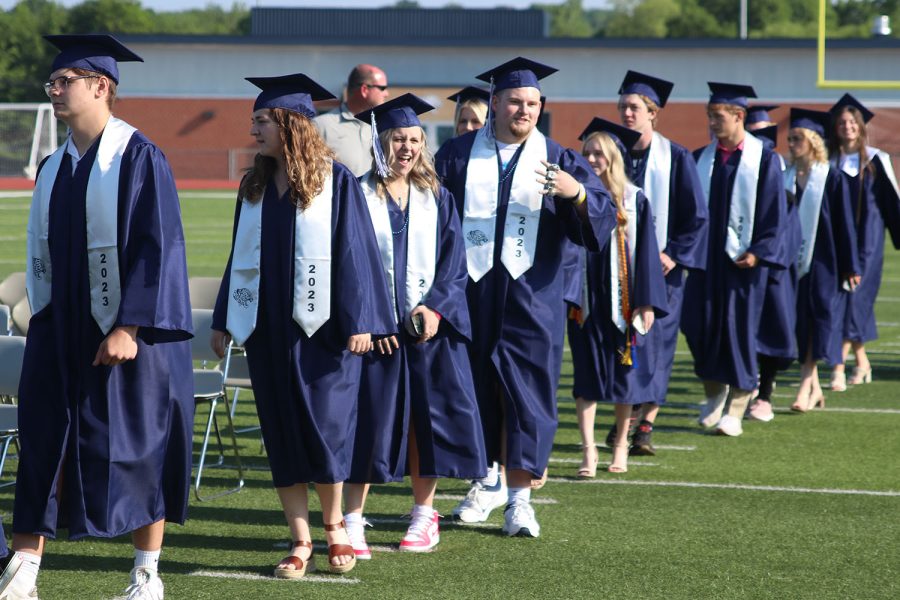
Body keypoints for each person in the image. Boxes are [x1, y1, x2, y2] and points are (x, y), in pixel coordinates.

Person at [0, 35, 193, 600]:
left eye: (65, 82)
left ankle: (145, 573)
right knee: (42, 440)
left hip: (128, 333)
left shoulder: (139, 158)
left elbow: (158, 248)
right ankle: (24, 571)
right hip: (59, 330)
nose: (54, 91)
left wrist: (129, 326)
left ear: (101, 86)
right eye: (52, 83)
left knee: (137, 447)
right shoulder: (54, 165)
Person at [210, 73, 395, 578]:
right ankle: (301, 538)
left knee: (328, 428)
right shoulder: (253, 186)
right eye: (254, 120)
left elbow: (358, 253)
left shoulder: (336, 182)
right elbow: (238, 257)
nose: (254, 130)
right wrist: (227, 313)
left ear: (291, 123)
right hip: (267, 327)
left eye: (262, 120)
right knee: (283, 431)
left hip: (325, 331)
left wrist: (362, 322)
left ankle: (336, 526)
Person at [435, 57, 616, 537]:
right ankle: (484, 482)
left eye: (533, 103)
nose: (524, 110)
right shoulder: (455, 156)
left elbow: (600, 218)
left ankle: (520, 502)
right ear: (494, 103)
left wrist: (576, 192)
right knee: (471, 391)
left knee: (528, 398)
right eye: (515, 101)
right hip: (468, 296)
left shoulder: (558, 158)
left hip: (533, 298)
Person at [343, 93, 486, 557]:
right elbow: (349, 266)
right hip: (376, 336)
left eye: (413, 139)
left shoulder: (436, 197)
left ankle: (425, 516)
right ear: (381, 142)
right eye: (397, 138)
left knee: (427, 424)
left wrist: (436, 308)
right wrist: (368, 321)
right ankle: (351, 520)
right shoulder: (357, 195)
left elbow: (454, 264)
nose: (405, 147)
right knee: (367, 425)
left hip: (428, 334)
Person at [683, 82, 787, 437]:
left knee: (738, 332)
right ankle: (714, 393)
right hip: (704, 261)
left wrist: (759, 250)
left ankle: (738, 407)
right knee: (698, 326)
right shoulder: (700, 159)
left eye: (718, 116)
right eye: (710, 116)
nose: (712, 123)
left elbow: (776, 213)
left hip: (743, 263)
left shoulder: (766, 160)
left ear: (739, 116)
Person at [612, 71, 707, 456]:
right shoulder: (612, 151)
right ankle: (625, 419)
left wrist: (673, 254)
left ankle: (644, 424)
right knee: (625, 345)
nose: (627, 114)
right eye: (623, 107)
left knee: (659, 348)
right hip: (618, 269)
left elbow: (696, 217)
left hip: (663, 272)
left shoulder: (677, 157)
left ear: (653, 113)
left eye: (634, 108)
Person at [570, 118, 668, 475]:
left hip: (623, 301)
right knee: (586, 376)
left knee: (625, 377)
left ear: (613, 157)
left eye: (599, 153)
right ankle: (588, 451)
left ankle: (621, 447)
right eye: (587, 153)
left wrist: (646, 300)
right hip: (585, 298)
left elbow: (646, 253)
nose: (592, 159)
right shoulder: (573, 194)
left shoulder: (634, 199)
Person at [766, 109, 859, 416]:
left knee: (818, 317)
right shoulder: (785, 176)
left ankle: (805, 383)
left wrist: (851, 266)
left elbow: (845, 224)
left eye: (797, 139)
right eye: (790, 138)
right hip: (791, 261)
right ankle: (815, 385)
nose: (791, 143)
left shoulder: (830, 177)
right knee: (797, 320)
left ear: (813, 141)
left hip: (824, 260)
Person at [826, 94, 900, 391]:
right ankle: (862, 361)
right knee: (842, 300)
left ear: (861, 126)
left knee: (855, 297)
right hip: (835, 241)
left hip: (868, 242)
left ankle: (838, 368)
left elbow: (893, 203)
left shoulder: (876, 159)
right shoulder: (829, 161)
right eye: (842, 122)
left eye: (852, 122)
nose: (847, 127)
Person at [314, 64, 390, 177]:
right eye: (382, 88)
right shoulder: (321, 126)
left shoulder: (384, 127)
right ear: (364, 90)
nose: (386, 94)